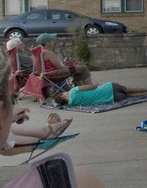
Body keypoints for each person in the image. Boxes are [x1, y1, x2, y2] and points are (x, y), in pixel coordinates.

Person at [0, 51, 104, 187]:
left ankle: (45, 131)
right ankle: (45, 132)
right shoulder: (76, 180)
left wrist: (9, 117)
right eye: (13, 100)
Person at [54, 82, 147, 106]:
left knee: (128, 95)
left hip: (113, 99)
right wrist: (95, 84)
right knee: (126, 89)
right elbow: (92, 86)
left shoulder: (73, 104)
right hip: (109, 88)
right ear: (62, 95)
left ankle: (145, 95)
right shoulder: (73, 91)